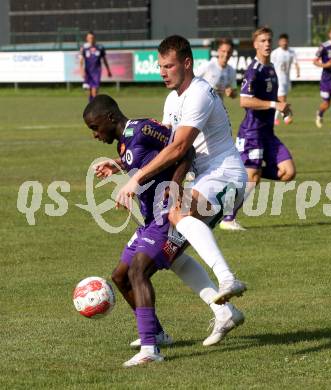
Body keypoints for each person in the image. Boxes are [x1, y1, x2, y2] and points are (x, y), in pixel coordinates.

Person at [83, 95, 245, 367]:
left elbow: (185, 150)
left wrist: (176, 184)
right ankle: (159, 331)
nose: (95, 134)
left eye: (95, 127)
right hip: (149, 219)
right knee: (120, 276)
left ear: (110, 118)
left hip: (165, 216)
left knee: (138, 271)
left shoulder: (143, 128)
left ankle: (150, 349)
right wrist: (119, 164)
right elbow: (145, 159)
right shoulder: (125, 141)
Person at [115, 35, 248, 307]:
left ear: (187, 64)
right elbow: (162, 147)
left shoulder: (199, 93)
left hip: (225, 174)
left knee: (178, 213)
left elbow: (179, 148)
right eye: (160, 67)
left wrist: (137, 178)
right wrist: (120, 164)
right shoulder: (172, 100)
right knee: (170, 252)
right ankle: (225, 314)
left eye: (169, 66)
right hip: (205, 177)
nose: (163, 73)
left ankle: (227, 278)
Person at [220, 26, 296, 231]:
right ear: (255, 45)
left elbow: (275, 98)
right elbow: (244, 101)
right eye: (262, 41)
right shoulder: (253, 70)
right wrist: (274, 105)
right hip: (252, 132)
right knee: (252, 177)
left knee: (288, 172)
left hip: (268, 133)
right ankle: (228, 219)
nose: (267, 44)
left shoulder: (271, 68)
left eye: (269, 40)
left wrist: (284, 109)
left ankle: (248, 175)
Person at [271, 33, 300, 125]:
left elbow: (296, 63)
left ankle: (278, 117)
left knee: (282, 99)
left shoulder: (291, 52)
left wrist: (298, 71)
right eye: (282, 41)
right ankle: (285, 117)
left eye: (286, 41)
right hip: (278, 79)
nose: (284, 43)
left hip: (286, 79)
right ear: (279, 42)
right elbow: (270, 65)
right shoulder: (275, 52)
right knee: (282, 100)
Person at [80, 31, 112, 102]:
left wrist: (108, 70)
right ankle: (91, 106)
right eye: (89, 38)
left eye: (92, 38)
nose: (91, 39)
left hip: (96, 72)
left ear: (94, 38)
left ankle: (94, 107)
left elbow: (104, 60)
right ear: (87, 39)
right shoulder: (84, 48)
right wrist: (81, 70)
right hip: (88, 71)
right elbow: (81, 61)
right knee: (89, 91)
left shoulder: (100, 48)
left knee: (94, 92)